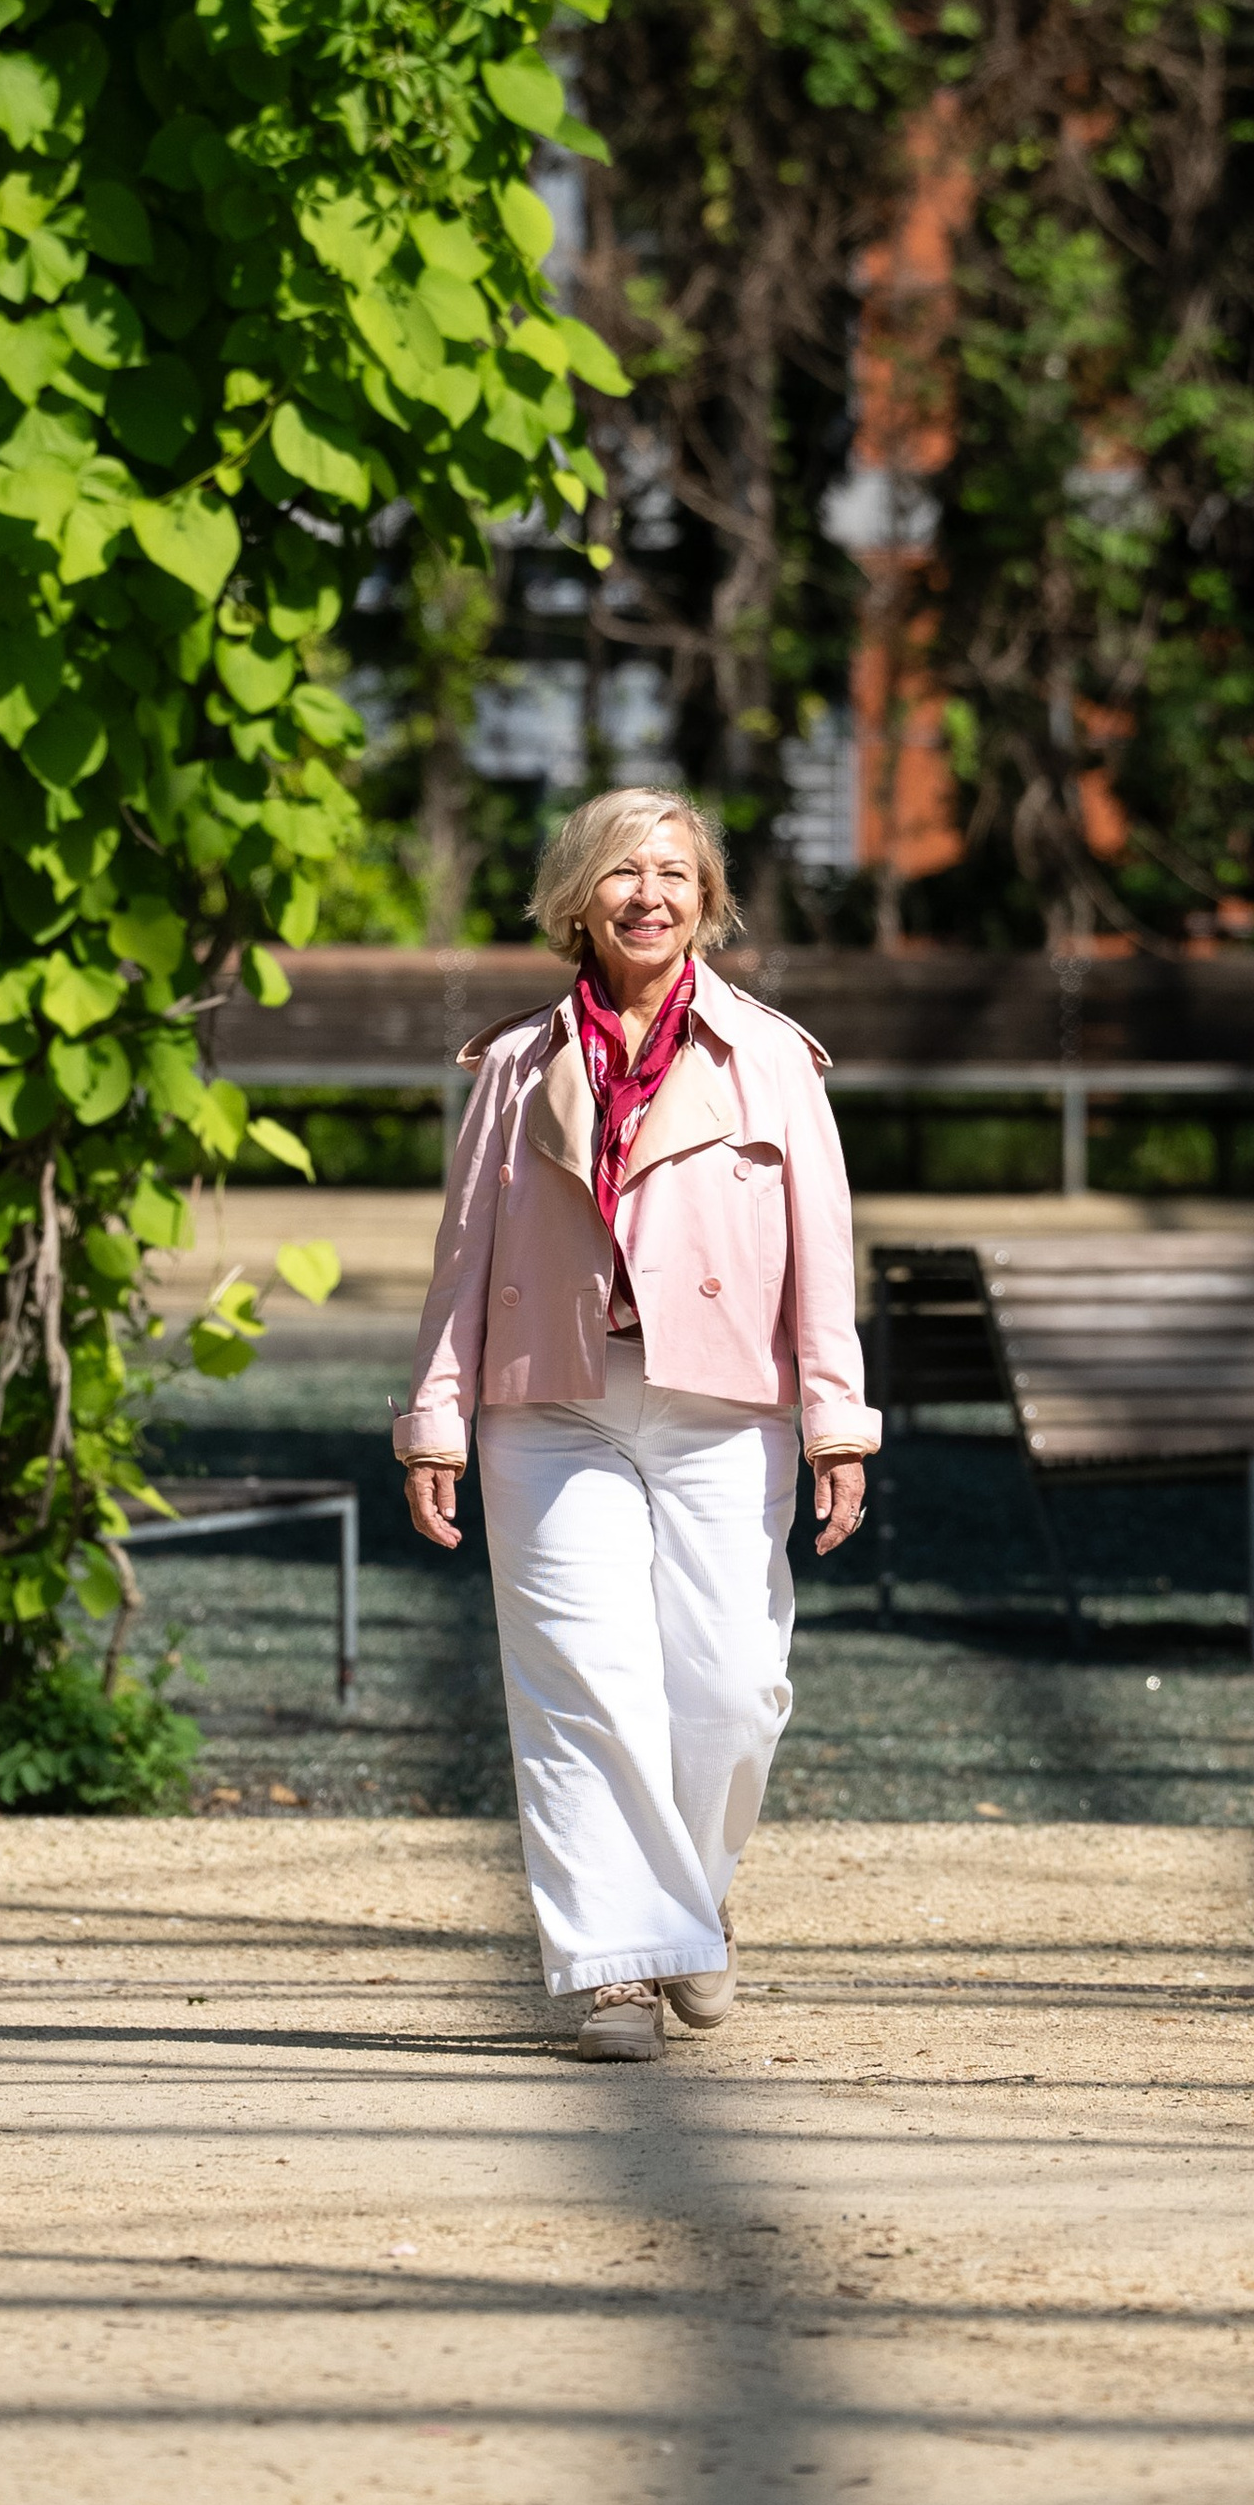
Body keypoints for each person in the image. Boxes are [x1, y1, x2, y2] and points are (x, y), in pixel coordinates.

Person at [394, 788, 879, 2059]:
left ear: (707, 899)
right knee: (581, 1688)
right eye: (620, 871)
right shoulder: (512, 1063)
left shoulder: (771, 1054)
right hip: (546, 1402)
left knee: (731, 1684)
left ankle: (688, 1910)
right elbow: (462, 1256)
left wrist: (839, 1421)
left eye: (672, 871)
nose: (647, 893)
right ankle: (617, 1969)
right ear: (577, 897)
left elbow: (824, 1252)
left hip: (723, 1402)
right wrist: (433, 1419)